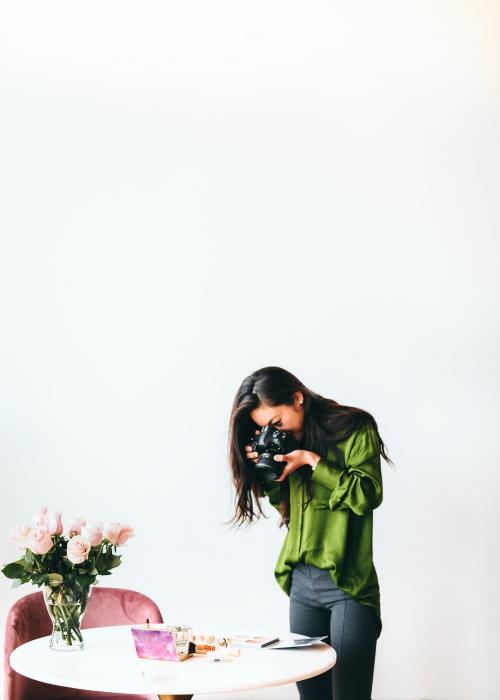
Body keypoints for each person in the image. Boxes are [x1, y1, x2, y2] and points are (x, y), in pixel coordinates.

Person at [227, 366, 393, 700]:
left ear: (297, 398)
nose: (274, 431)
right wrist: (268, 474)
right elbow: (290, 510)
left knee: (350, 695)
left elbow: (367, 494)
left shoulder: (356, 429)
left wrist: (313, 461)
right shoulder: (288, 444)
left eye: (276, 422)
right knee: (311, 697)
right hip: (302, 585)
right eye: (264, 428)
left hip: (348, 584)